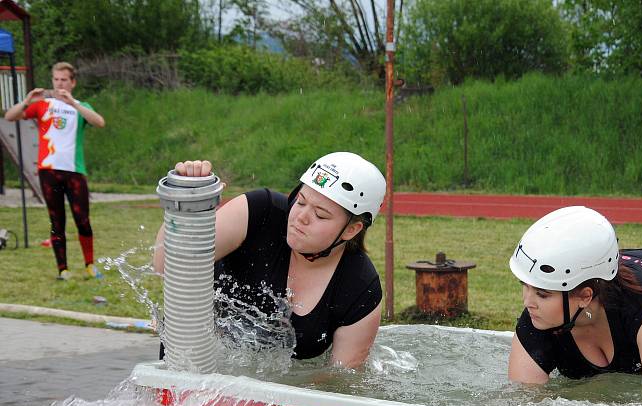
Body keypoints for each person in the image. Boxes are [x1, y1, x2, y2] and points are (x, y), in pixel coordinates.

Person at [153, 152, 386, 367]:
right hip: (189, 365)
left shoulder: (360, 289)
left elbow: (340, 381)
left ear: (351, 230)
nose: (301, 217)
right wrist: (185, 204)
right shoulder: (259, 213)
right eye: (301, 201)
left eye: (320, 215)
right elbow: (166, 266)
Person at [507, 206, 642, 397]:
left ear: (585, 296)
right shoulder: (537, 319)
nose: (527, 302)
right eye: (524, 286)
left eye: (542, 294)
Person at [4, 61, 106, 280]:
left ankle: (90, 264)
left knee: (83, 219)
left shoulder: (81, 105)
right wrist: (26, 101)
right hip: (49, 171)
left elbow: (99, 122)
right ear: (52, 80)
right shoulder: (43, 105)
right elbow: (9, 117)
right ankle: (63, 269)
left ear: (72, 83)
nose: (59, 83)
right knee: (57, 221)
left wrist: (74, 105)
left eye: (64, 80)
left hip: (75, 171)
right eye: (56, 79)